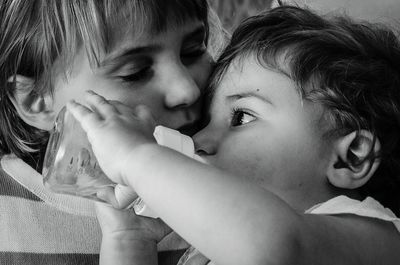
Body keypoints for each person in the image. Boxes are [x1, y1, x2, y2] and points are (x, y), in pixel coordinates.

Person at [67, 5, 400, 265]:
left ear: (350, 157)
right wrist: (130, 238)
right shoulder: (210, 247)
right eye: (205, 122)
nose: (199, 141)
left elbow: (274, 249)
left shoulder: (374, 234)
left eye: (241, 116)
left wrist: (135, 158)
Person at [0, 0, 227, 264]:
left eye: (193, 50)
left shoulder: (227, 195)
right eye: (135, 73)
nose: (187, 90)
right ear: (35, 100)